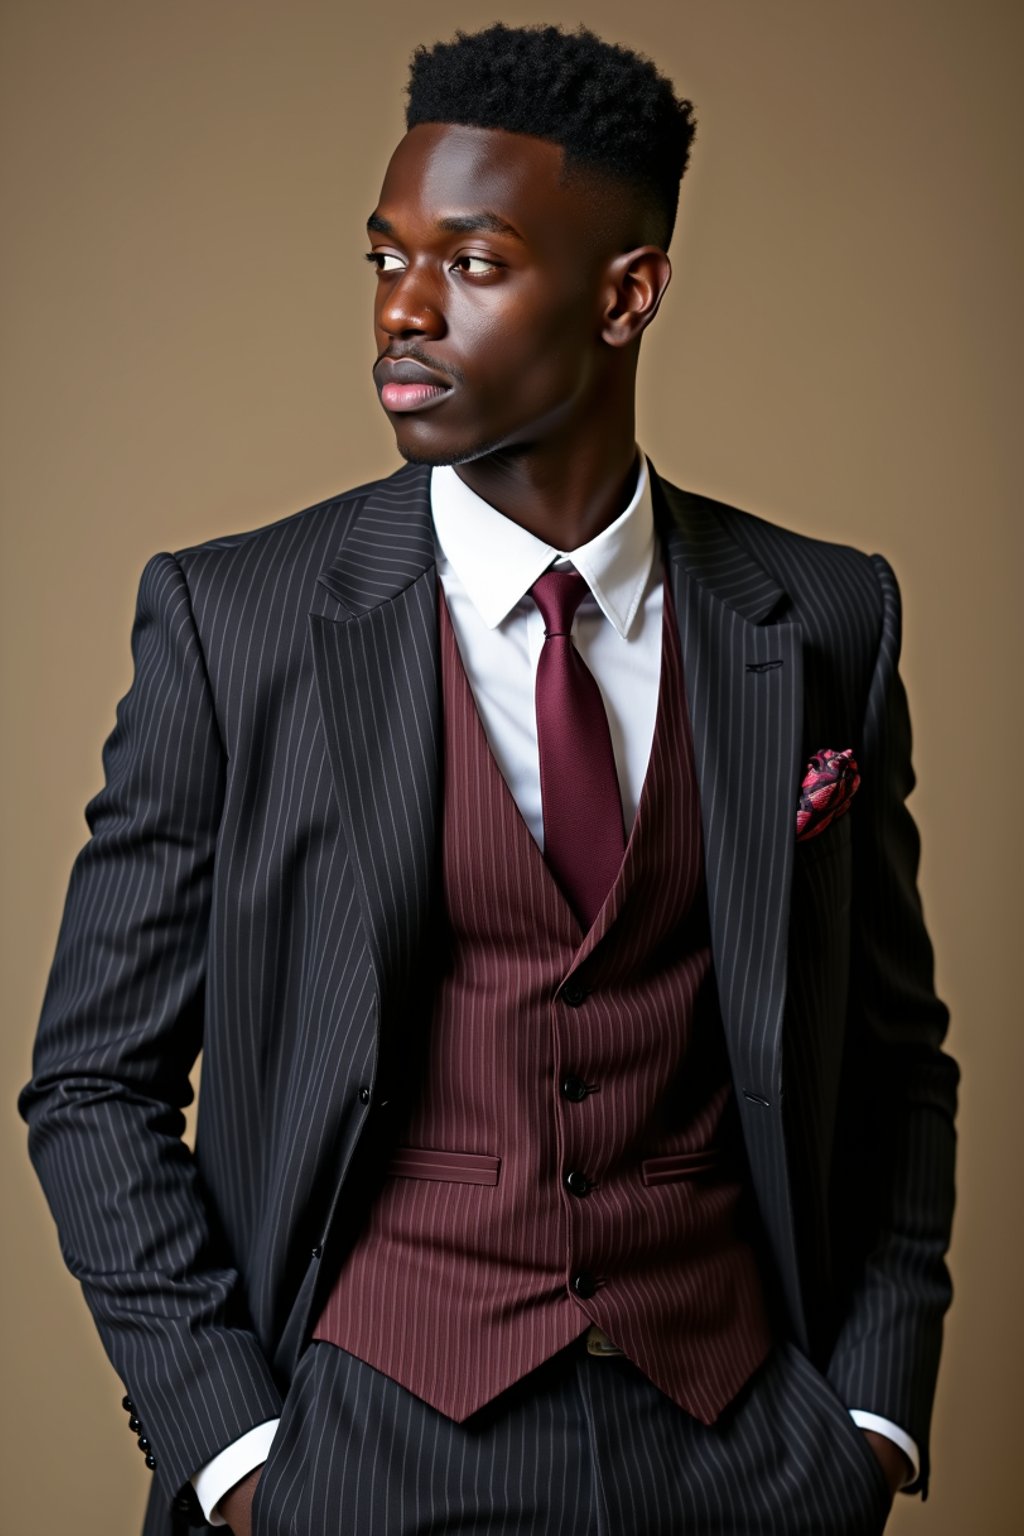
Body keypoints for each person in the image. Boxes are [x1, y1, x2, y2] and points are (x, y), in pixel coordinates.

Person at [21, 22, 957, 1536]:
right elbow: (91, 1079)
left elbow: (897, 1053)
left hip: (739, 1454)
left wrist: (871, 1418)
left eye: (471, 263)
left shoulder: (823, 614)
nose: (401, 308)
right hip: (366, 1456)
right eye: (385, 256)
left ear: (626, 293)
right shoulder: (237, 621)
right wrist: (247, 1458)